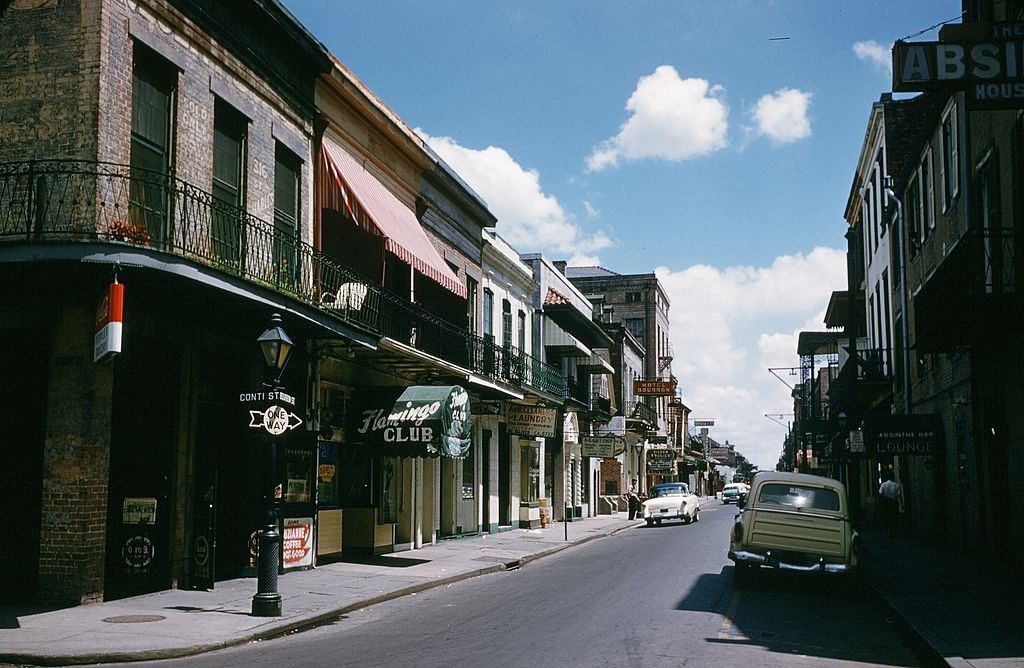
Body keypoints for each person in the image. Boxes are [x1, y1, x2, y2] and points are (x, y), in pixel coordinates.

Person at [879, 471, 902, 537]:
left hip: (886, 502)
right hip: (894, 502)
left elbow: (880, 493)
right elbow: (899, 495)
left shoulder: (883, 485)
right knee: (894, 517)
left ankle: (887, 530)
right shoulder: (896, 485)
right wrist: (902, 504)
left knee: (887, 516)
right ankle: (894, 530)